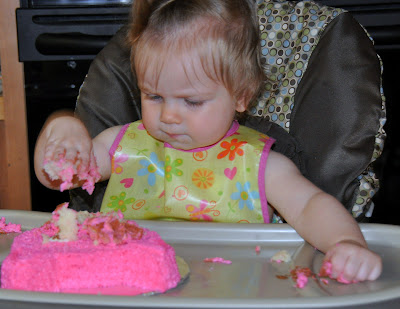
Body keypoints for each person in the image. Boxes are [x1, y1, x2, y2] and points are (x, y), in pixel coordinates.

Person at [34, 0, 382, 283]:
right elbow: (55, 176)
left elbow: (310, 208)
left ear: (241, 96)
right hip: (124, 288)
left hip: (229, 291)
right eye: (153, 96)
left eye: (192, 101)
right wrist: (64, 128)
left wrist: (345, 243)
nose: (169, 115)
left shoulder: (261, 165)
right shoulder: (119, 146)